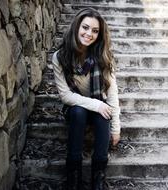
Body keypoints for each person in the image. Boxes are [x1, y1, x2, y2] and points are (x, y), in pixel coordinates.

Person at [52, 7, 121, 190]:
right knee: (78, 111)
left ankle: (98, 178)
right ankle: (73, 178)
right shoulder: (60, 57)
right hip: (77, 109)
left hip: (99, 109)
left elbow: (112, 94)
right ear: (76, 27)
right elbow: (65, 95)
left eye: (95, 31)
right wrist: (96, 104)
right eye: (85, 27)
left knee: (103, 114)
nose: (89, 34)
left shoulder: (103, 57)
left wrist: (116, 129)